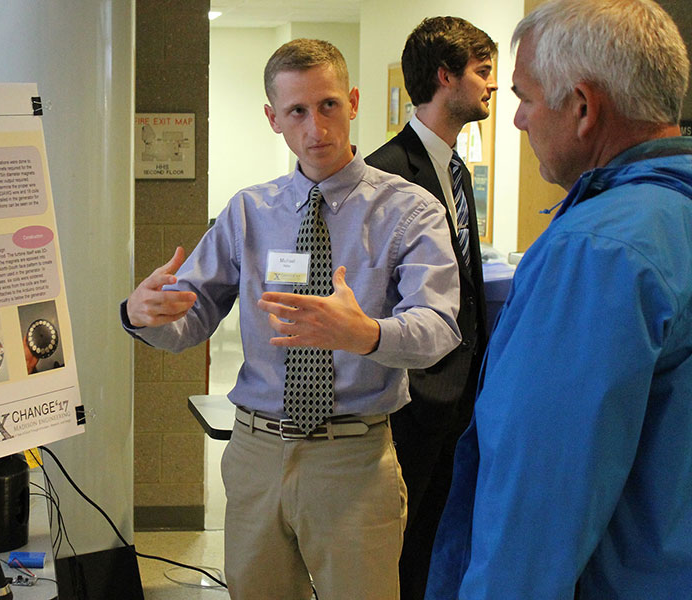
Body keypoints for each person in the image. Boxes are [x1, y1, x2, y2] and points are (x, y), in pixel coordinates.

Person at [122, 39, 462, 599]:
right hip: (256, 454)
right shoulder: (249, 212)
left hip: (353, 459)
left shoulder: (408, 210)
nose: (315, 127)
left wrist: (366, 334)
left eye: (328, 105)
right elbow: (189, 321)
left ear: (353, 101)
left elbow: (439, 329)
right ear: (273, 118)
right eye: (297, 112)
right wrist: (142, 315)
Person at [425, 1, 692, 598]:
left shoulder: (599, 251)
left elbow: (538, 497)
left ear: (583, 108)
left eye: (524, 96)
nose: (516, 119)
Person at [364, 17, 495, 600]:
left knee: (436, 545)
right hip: (411, 401)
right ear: (445, 76)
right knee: (398, 551)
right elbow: (372, 296)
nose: (492, 86)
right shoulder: (385, 174)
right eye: (482, 71)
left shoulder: (456, 170)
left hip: (460, 394)